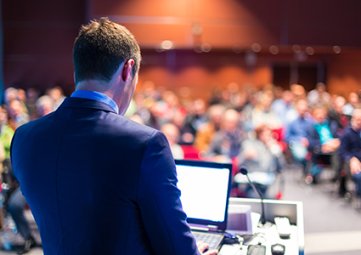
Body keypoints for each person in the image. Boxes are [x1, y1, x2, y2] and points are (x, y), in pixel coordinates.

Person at [11, 17, 216, 255]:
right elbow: (175, 249)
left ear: (78, 68)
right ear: (128, 69)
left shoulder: (24, 138)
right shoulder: (145, 144)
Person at [340, 108, 361, 201]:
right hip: (353, 162)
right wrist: (352, 159)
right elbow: (342, 152)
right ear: (353, 119)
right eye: (358, 119)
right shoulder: (347, 133)